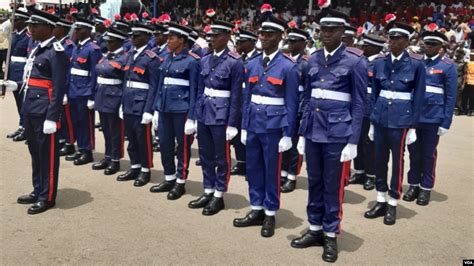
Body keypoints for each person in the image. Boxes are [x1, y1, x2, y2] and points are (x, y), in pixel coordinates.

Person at [290, 9, 367, 263]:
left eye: (332, 30)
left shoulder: (355, 61)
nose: (327, 34)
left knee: (333, 185)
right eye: (323, 30)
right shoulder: (312, 59)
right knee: (314, 181)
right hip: (313, 130)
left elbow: (358, 104)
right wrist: (301, 132)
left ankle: (331, 233)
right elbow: (307, 99)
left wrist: (354, 140)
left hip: (337, 132)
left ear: (343, 33)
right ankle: (314, 228)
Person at [233, 15, 299, 238]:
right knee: (253, 169)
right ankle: (256, 208)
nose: (263, 38)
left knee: (271, 171)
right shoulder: (251, 64)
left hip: (273, 126)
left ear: (280, 37)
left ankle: (270, 213)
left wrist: (288, 134)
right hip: (253, 123)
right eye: (262, 34)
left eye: (269, 35)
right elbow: (246, 98)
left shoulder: (288, 67)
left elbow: (292, 103)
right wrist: (243, 127)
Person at [364, 21, 426, 225]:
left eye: (398, 39)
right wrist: (372, 121)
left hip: (401, 120)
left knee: (397, 162)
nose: (392, 42)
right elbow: (374, 94)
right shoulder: (380, 62)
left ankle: (392, 202)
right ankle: (380, 198)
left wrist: (413, 126)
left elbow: (418, 98)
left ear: (407, 41)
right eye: (391, 38)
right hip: (381, 118)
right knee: (379, 160)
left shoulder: (416, 64)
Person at [15, 8, 68, 214]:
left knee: (47, 156)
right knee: (35, 154)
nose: (31, 29)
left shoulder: (57, 52)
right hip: (30, 109)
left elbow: (58, 87)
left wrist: (52, 117)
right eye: (30, 25)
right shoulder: (37, 48)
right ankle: (38, 190)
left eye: (35, 25)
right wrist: (14, 84)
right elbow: (32, 79)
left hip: (45, 112)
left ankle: (47, 197)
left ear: (49, 28)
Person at [188, 20, 244, 215]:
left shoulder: (234, 62)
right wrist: (194, 116)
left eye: (216, 35)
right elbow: (199, 90)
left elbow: (237, 95)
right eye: (210, 35)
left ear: (227, 37)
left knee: (221, 157)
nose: (211, 39)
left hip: (221, 113)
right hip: (204, 111)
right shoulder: (205, 59)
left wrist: (232, 123)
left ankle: (219, 194)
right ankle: (208, 189)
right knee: (205, 154)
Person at [404, 30, 457, 206]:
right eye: (427, 44)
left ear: (441, 47)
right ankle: (413, 185)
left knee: (428, 154)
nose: (429, 47)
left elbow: (450, 96)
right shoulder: (418, 63)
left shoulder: (448, 66)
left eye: (433, 44)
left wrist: (446, 121)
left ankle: (426, 187)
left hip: (434, 117)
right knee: (413, 153)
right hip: (415, 116)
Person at [149, 22, 199, 200]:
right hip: (164, 108)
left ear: (182, 40)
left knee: (183, 147)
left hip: (181, 110)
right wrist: (156, 109)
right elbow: (160, 86)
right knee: (164, 144)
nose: (168, 40)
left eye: (172, 37)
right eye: (168, 37)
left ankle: (180, 181)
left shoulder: (192, 61)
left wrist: (192, 118)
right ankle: (168, 177)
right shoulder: (167, 58)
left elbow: (194, 91)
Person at [116, 21, 160, 186]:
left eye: (137, 35)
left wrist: (149, 109)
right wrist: (122, 103)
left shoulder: (152, 58)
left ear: (147, 37)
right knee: (131, 138)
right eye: (132, 35)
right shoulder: (130, 54)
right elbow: (125, 81)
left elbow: (154, 85)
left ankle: (145, 169)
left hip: (142, 103)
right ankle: (135, 166)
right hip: (128, 101)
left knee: (143, 139)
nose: (133, 38)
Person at [349, 33, 386, 190]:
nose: (363, 48)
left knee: (370, 143)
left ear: (376, 48)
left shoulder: (382, 63)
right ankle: (359, 171)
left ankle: (371, 174)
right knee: (356, 139)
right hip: (358, 106)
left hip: (372, 107)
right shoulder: (361, 61)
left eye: (366, 46)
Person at [91, 27, 129, 176]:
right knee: (106, 129)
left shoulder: (124, 58)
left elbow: (124, 81)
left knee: (115, 131)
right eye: (107, 41)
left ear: (119, 42)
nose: (108, 44)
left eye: (111, 42)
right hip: (102, 94)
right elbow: (99, 69)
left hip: (115, 96)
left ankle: (115, 159)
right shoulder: (107, 56)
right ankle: (107, 156)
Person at [65, 17, 102, 166]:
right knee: (76, 121)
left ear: (86, 31)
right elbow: (70, 70)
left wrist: (92, 96)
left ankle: (87, 151)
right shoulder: (76, 47)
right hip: (74, 89)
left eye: (79, 30)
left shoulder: (93, 49)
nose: (76, 32)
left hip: (85, 91)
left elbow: (94, 74)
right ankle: (80, 148)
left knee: (86, 122)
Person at [280, 27, 310, 193]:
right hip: (283, 105)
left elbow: (307, 91)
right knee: (283, 141)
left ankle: (292, 176)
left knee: (294, 145)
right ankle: (283, 172)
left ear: (303, 43)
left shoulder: (305, 63)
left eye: (294, 41)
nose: (290, 44)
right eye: (289, 40)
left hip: (298, 106)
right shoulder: (284, 61)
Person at [230, 28, 259, 176]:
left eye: (241, 42)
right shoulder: (237, 59)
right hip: (238, 101)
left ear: (252, 43)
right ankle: (241, 162)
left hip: (250, 101)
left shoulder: (258, 59)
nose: (238, 44)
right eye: (237, 42)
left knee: (250, 135)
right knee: (236, 135)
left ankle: (251, 165)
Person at [5, 9, 31, 142]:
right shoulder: (14, 35)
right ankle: (22, 126)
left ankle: (26, 128)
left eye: (16, 19)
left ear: (23, 21)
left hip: (22, 72)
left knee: (24, 102)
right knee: (18, 102)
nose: (12, 21)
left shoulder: (29, 37)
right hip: (13, 72)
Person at [53, 18, 76, 157]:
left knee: (67, 117)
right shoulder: (56, 44)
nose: (53, 30)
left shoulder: (69, 46)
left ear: (61, 30)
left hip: (65, 85)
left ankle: (69, 143)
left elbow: (67, 69)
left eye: (55, 27)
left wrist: (65, 90)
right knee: (58, 115)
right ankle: (61, 139)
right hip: (56, 83)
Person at [150, 21, 169, 153]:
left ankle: (162, 139)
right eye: (155, 35)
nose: (156, 38)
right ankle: (157, 138)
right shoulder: (154, 50)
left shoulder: (167, 52)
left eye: (159, 35)